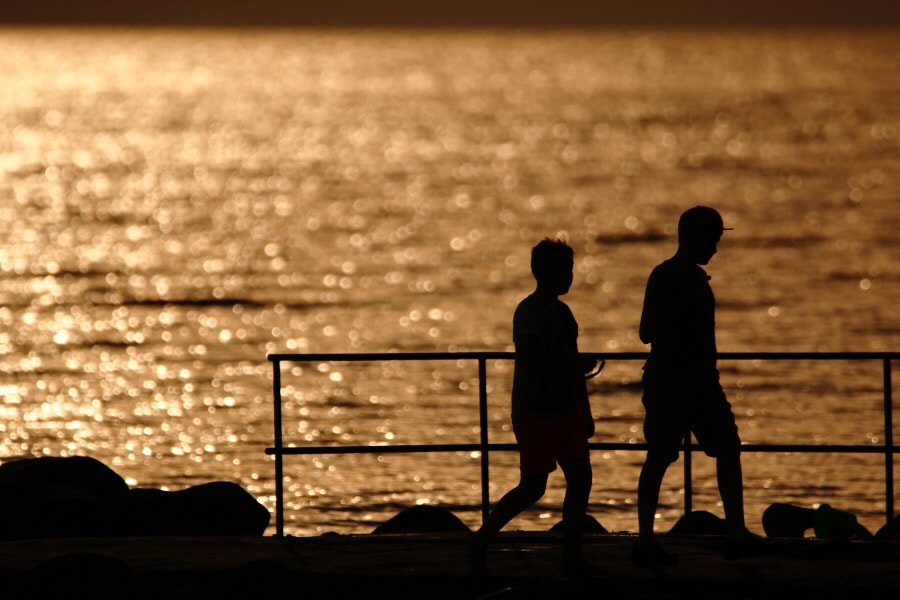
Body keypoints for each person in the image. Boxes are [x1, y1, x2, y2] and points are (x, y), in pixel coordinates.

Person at [633, 206, 757, 565]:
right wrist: (690, 300)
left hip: (701, 382)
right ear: (695, 238)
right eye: (713, 240)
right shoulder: (666, 276)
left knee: (727, 446)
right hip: (671, 381)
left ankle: (736, 532)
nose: (716, 249)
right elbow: (647, 331)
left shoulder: (691, 277)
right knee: (660, 456)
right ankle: (644, 541)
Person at [468, 238, 598, 575]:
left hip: (565, 407)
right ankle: (482, 538)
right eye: (563, 270)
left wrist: (584, 410)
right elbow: (529, 355)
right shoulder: (529, 310)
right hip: (536, 409)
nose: (569, 276)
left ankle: (571, 554)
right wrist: (572, 365)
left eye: (569, 269)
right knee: (533, 485)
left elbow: (570, 365)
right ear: (542, 272)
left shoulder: (563, 312)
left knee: (580, 477)